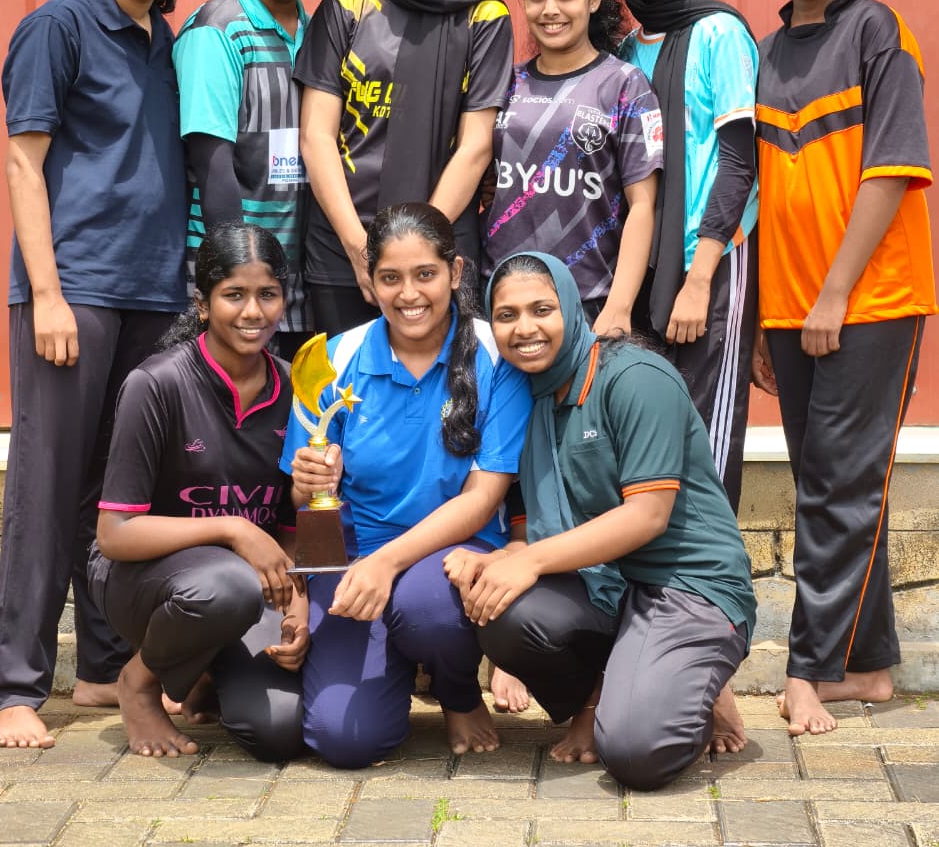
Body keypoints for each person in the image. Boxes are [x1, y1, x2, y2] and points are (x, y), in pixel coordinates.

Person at [0, 0, 191, 749]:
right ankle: (15, 687)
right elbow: (23, 165)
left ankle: (102, 670)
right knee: (42, 483)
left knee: (110, 495)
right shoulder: (57, 28)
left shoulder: (163, 38)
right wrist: (47, 293)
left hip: (153, 293)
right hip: (76, 290)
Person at [445, 252, 756, 791]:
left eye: (541, 309)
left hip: (687, 584)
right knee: (502, 611)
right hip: (604, 583)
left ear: (570, 306)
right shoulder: (529, 396)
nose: (524, 329)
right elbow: (535, 516)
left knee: (636, 754)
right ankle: (598, 698)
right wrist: (503, 557)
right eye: (506, 314)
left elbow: (648, 515)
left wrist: (530, 560)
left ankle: (694, 680)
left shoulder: (635, 378)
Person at [753, 0, 936, 737]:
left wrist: (834, 292)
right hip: (790, 305)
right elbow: (763, 189)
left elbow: (891, 168)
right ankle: (866, 670)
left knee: (833, 489)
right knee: (834, 485)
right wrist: (768, 312)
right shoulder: (766, 48)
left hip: (870, 302)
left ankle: (807, 670)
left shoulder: (877, 32)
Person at [281, 202, 532, 767]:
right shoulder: (331, 358)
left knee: (429, 610)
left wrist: (387, 564)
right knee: (345, 741)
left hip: (452, 558)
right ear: (369, 280)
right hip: (353, 565)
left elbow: (483, 499)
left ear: (456, 272)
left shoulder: (497, 355)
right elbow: (306, 503)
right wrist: (306, 482)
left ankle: (457, 691)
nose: (409, 293)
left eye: (425, 274)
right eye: (390, 277)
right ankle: (386, 660)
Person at [89, 223, 306, 761]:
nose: (253, 311)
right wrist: (234, 529)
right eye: (234, 294)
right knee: (227, 585)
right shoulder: (156, 384)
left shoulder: (298, 389)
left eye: (268, 294)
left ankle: (206, 669)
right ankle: (140, 684)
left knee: (282, 729)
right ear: (203, 303)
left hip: (246, 592)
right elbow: (115, 534)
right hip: (142, 584)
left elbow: (289, 529)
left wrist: (297, 605)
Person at [297, 0, 514, 335]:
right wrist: (360, 247)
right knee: (347, 394)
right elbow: (316, 135)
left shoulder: (482, 16)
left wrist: (415, 254)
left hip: (440, 249)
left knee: (447, 400)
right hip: (343, 243)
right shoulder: (346, 5)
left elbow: (476, 143)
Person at [610, 0, 758, 512]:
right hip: (641, 262)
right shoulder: (624, 47)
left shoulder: (719, 32)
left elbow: (739, 160)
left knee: (703, 431)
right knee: (647, 429)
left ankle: (713, 593)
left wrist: (699, 278)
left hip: (710, 262)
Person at [174, 0, 333, 361]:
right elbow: (213, 166)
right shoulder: (217, 30)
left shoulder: (317, 30)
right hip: (237, 288)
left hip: (296, 285)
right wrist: (243, 279)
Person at [482, 0, 662, 335]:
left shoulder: (625, 86)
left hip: (588, 305)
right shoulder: (504, 83)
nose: (550, 10)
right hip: (503, 303)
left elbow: (642, 207)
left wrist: (619, 307)